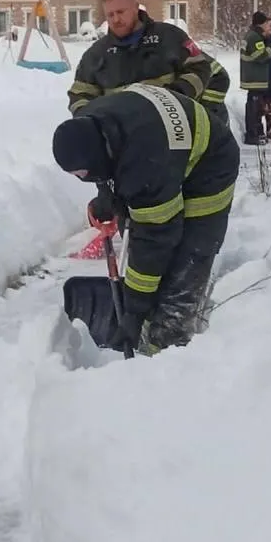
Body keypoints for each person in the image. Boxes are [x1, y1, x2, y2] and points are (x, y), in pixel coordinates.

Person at [52, 82, 240, 354]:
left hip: (210, 165)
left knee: (190, 252)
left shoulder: (143, 161)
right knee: (139, 225)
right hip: (162, 151)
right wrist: (108, 195)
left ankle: (165, 347)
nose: (85, 180)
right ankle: (147, 307)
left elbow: (154, 238)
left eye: (85, 174)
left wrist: (133, 310)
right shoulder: (92, 121)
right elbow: (108, 164)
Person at [67, 0, 230, 126]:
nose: (116, 19)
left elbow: (199, 68)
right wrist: (94, 123)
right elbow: (79, 95)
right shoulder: (96, 55)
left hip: (175, 129)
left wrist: (174, 99)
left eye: (121, 12)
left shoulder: (169, 37)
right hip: (125, 140)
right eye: (110, 15)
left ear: (136, 8)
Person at [240, 11, 271, 144]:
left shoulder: (252, 35)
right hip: (254, 78)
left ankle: (256, 133)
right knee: (254, 109)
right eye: (266, 23)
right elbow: (260, 57)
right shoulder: (254, 37)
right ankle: (252, 135)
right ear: (262, 23)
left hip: (252, 77)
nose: (268, 26)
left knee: (256, 107)